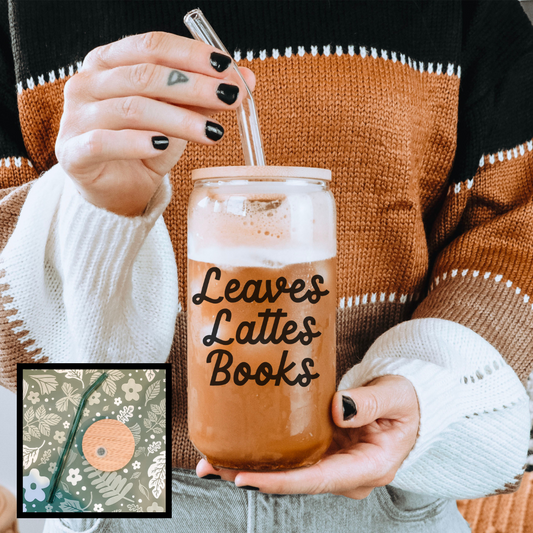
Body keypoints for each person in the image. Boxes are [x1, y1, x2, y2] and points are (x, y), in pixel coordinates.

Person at [1, 0, 532, 531]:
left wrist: (428, 386)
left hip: (377, 485)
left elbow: (516, 224)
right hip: (107, 476)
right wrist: (94, 215)